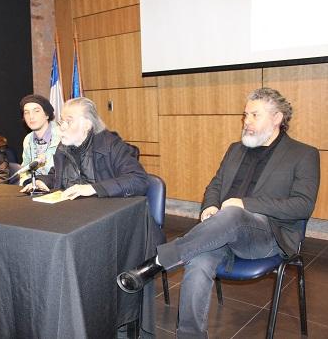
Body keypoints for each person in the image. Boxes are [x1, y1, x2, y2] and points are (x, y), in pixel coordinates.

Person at [117, 88, 320, 338]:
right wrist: (210, 207)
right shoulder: (236, 149)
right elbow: (215, 185)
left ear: (277, 118)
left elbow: (302, 206)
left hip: (267, 236)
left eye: (255, 115)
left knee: (233, 214)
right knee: (198, 260)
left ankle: (159, 261)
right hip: (221, 229)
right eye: (245, 115)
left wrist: (244, 204)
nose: (247, 121)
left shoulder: (303, 154)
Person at [21, 97, 149, 199]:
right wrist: (42, 182)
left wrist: (92, 188)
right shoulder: (63, 148)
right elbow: (57, 175)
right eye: (61, 121)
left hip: (107, 216)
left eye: (69, 121)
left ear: (87, 125)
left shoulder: (111, 145)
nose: (62, 127)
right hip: (75, 214)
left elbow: (138, 180)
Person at [19, 94, 61, 185]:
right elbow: (24, 171)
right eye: (26, 112)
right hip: (36, 188)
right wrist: (28, 183)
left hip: (57, 189)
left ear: (47, 115)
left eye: (36, 111)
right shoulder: (27, 139)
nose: (31, 116)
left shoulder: (62, 137)